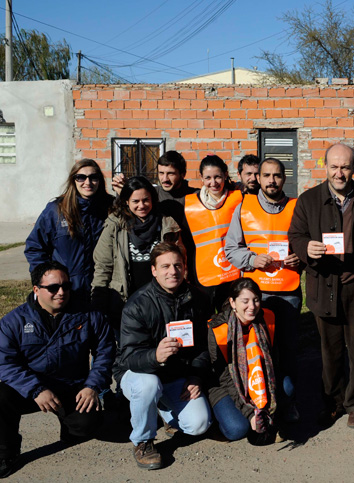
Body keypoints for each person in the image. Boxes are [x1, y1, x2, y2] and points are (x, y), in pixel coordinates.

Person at [0, 262, 115, 479]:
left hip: (72, 386)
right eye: (53, 288)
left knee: (85, 427)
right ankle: (7, 453)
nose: (61, 292)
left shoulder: (89, 315)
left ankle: (69, 426)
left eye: (66, 286)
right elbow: (2, 364)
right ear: (36, 289)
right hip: (33, 388)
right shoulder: (14, 321)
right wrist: (35, 389)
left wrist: (92, 385)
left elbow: (105, 352)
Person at [288, 143, 354, 429]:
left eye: (346, 167)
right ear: (324, 166)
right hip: (323, 284)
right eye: (334, 167)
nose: (339, 173)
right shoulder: (309, 200)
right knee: (330, 350)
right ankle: (332, 402)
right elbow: (295, 235)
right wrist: (306, 248)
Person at [115, 243, 212, 470]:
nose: (173, 271)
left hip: (176, 375)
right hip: (138, 374)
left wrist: (196, 377)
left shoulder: (198, 299)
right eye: (165, 266)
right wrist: (155, 356)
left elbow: (206, 347)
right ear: (153, 270)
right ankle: (143, 441)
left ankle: (164, 410)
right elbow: (128, 356)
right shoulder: (137, 304)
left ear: (184, 268)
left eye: (177, 265)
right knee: (149, 384)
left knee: (199, 425)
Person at [224, 157, 303, 422]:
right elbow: (231, 249)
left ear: (284, 178)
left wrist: (299, 258)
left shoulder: (296, 207)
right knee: (257, 350)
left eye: (277, 176)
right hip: (255, 297)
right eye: (266, 175)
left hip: (289, 292)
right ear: (258, 178)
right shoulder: (243, 207)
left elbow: (306, 244)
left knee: (288, 349)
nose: (271, 180)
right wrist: (251, 259)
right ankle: (258, 403)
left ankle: (288, 402)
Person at [92, 176, 181, 332]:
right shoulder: (115, 225)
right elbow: (103, 265)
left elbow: (179, 262)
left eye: (146, 200)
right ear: (126, 201)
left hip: (159, 301)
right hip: (124, 300)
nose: (142, 206)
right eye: (135, 201)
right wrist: (98, 300)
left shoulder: (166, 223)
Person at [25, 159, 113, 301]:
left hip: (103, 287)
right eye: (81, 177)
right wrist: (47, 281)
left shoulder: (111, 208)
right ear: (73, 180)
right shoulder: (56, 210)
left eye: (93, 177)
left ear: (100, 180)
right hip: (66, 289)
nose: (87, 182)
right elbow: (35, 248)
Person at [207, 279, 278, 443]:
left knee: (286, 388)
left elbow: (274, 363)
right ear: (232, 302)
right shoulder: (217, 328)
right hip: (225, 384)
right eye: (245, 301)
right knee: (237, 429)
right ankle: (213, 421)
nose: (252, 307)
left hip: (257, 376)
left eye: (256, 300)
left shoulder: (267, 318)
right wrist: (250, 412)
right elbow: (224, 377)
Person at [183, 155, 243, 310]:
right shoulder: (190, 204)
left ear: (225, 175)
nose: (213, 182)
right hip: (203, 275)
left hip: (232, 271)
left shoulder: (238, 198)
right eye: (208, 177)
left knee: (231, 318)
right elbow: (187, 242)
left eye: (218, 177)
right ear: (201, 178)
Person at [111, 150, 198, 206]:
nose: (165, 179)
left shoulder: (197, 196)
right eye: (161, 173)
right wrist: (124, 193)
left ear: (183, 174)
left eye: (170, 174)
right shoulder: (150, 194)